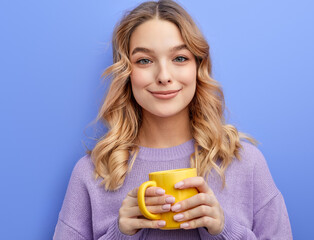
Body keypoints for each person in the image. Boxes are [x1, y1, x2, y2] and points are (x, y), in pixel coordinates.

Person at [54, 0, 293, 239]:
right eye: (144, 60)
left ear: (198, 68)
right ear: (127, 73)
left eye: (179, 58)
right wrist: (119, 234)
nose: (164, 76)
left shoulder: (245, 163)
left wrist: (224, 229)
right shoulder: (93, 172)